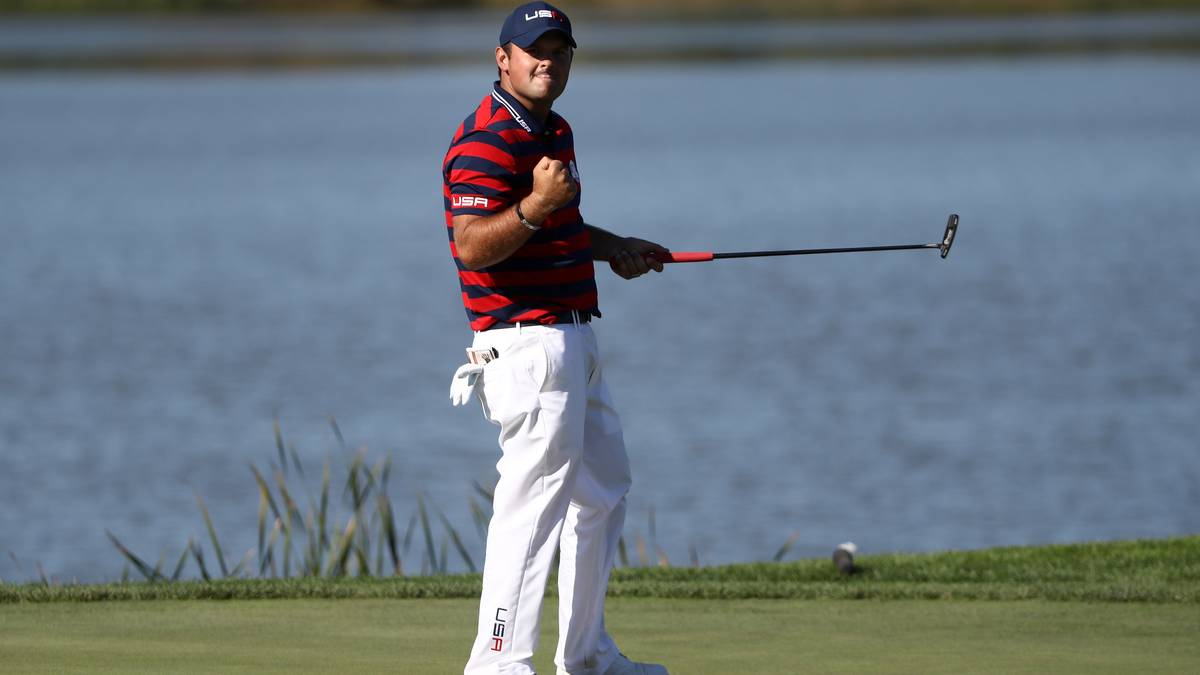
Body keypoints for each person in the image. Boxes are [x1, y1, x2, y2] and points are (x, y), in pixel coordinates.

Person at [441, 3, 671, 674]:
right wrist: (539, 205)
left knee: (603, 489)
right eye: (534, 49)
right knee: (533, 505)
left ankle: (588, 655)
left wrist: (615, 245)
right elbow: (473, 245)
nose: (548, 60)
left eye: (560, 49)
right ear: (503, 59)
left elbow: (558, 229)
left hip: (573, 339)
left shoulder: (553, 129)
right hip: (527, 345)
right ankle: (499, 663)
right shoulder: (486, 140)